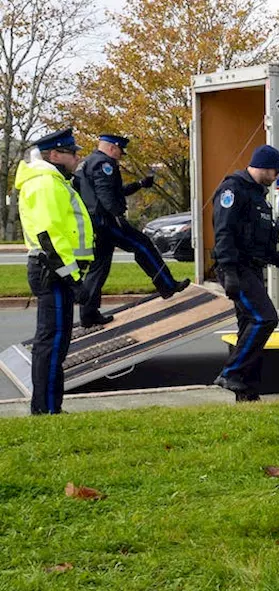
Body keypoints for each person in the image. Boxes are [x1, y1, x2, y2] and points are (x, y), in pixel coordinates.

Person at [15, 128, 96, 415]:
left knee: (55, 341)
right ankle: (47, 409)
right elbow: (50, 236)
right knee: (52, 341)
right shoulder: (45, 183)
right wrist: (73, 279)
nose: (77, 157)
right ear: (54, 155)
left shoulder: (51, 181)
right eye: (72, 153)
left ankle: (48, 407)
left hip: (55, 271)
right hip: (54, 272)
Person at [211, 145, 279, 402]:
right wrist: (229, 272)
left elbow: (261, 240)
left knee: (248, 325)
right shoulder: (233, 189)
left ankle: (246, 392)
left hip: (251, 267)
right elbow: (223, 232)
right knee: (264, 318)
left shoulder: (258, 195)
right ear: (263, 165)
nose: (276, 177)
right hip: (236, 267)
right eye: (275, 171)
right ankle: (231, 373)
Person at [75, 133, 188, 327]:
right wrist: (118, 216)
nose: (120, 155)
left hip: (96, 224)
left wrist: (139, 185)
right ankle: (167, 285)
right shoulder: (104, 164)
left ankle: (88, 314)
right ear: (112, 147)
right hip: (108, 222)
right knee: (143, 245)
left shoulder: (87, 163)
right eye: (120, 151)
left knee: (99, 267)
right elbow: (106, 196)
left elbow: (112, 191)